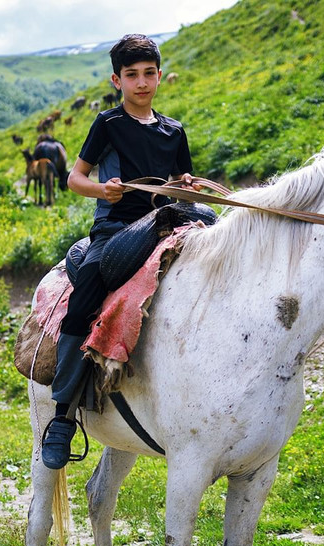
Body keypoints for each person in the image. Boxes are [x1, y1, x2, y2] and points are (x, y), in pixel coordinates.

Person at [41, 34, 200, 469]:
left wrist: (187, 187)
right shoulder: (108, 124)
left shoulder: (174, 130)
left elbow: (182, 180)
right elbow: (75, 179)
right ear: (117, 80)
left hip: (167, 218)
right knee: (89, 286)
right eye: (132, 75)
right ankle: (62, 415)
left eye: (149, 73)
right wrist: (102, 191)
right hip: (115, 228)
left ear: (159, 76)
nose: (142, 82)